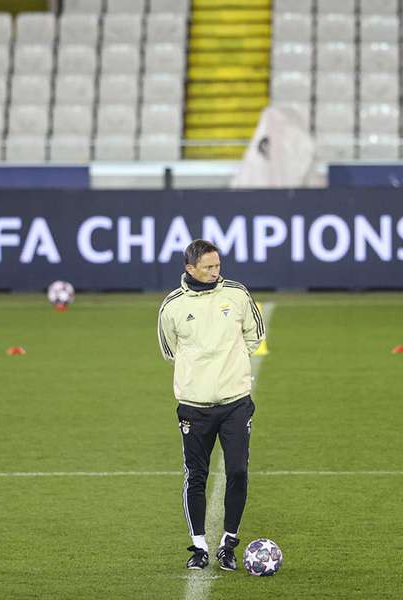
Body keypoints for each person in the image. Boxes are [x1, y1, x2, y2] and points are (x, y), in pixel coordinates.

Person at [157, 239, 266, 571]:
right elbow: (168, 350)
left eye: (218, 265)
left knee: (237, 471)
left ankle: (229, 544)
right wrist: (200, 372)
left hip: (235, 402)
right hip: (194, 406)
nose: (216, 272)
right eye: (208, 267)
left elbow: (255, 335)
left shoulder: (237, 295)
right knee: (196, 476)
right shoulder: (172, 306)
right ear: (190, 269)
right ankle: (199, 547)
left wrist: (230, 367)